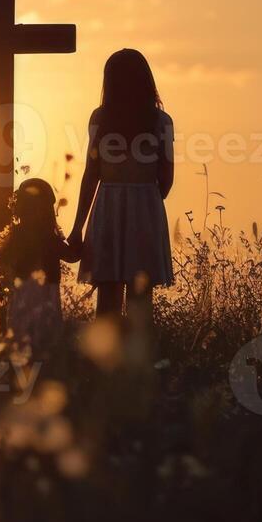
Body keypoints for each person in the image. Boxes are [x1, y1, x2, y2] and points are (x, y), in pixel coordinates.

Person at [66, 49, 174, 329]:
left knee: (108, 298)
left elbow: (91, 174)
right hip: (146, 205)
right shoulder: (161, 122)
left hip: (108, 205)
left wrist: (77, 227)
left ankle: (105, 365)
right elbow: (167, 177)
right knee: (141, 298)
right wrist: (146, 197)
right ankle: (139, 364)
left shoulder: (100, 119)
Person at [0, 178, 77, 350]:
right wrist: (79, 239)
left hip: (22, 297)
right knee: (47, 344)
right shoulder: (50, 239)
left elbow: (2, 259)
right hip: (47, 298)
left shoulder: (17, 237)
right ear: (48, 211)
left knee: (22, 344)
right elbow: (72, 256)